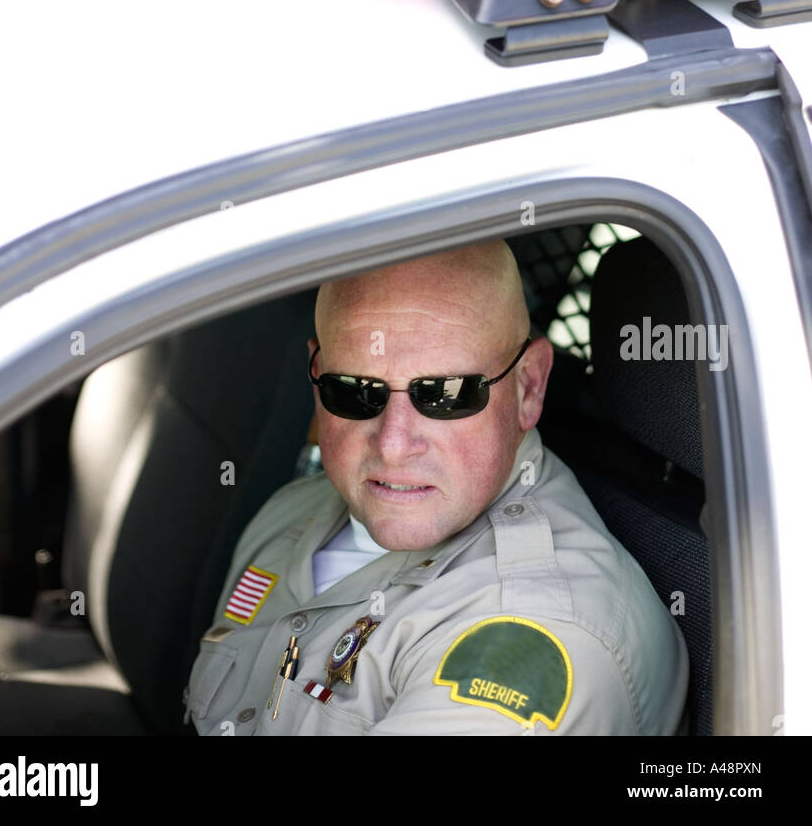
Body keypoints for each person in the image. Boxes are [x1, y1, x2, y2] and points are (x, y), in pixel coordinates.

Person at [185, 241, 689, 735]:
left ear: (529, 386)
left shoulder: (532, 632)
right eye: (356, 390)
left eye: (446, 394)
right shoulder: (293, 514)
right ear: (315, 374)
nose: (394, 444)